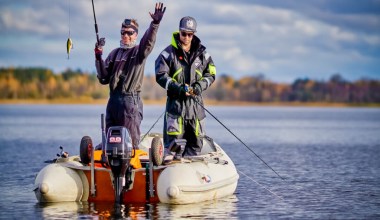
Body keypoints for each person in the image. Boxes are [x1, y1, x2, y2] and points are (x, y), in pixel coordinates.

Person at [95, 3, 166, 149]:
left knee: (130, 145)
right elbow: (103, 77)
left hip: (130, 102)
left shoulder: (138, 52)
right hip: (113, 100)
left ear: (136, 34)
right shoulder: (115, 53)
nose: (126, 35)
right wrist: (98, 55)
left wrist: (155, 24)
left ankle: (132, 166)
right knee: (111, 143)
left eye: (129, 33)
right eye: (123, 32)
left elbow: (148, 43)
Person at [155, 16, 216, 156]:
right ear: (179, 32)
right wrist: (178, 88)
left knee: (195, 147)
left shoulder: (203, 54)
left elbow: (211, 74)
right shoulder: (167, 54)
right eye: (184, 34)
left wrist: (199, 86)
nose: (187, 37)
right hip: (176, 109)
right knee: (173, 149)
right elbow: (161, 75)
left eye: (190, 34)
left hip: (196, 108)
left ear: (194, 34)